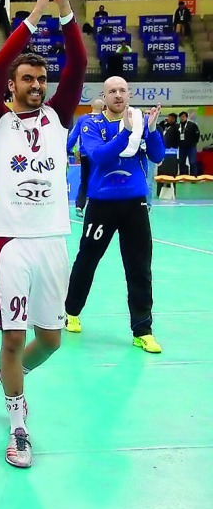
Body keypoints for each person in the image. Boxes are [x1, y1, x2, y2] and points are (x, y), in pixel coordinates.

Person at [0, 0, 84, 470]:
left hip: (53, 240)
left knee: (51, 340)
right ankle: (18, 425)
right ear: (12, 85)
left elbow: (78, 63)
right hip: (11, 243)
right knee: (14, 337)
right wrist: (37, 12)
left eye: (42, 78)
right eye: (28, 79)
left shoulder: (59, 119)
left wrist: (66, 11)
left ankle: (10, 376)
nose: (37, 85)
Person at [63, 78, 164, 352]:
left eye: (122, 91)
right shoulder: (90, 123)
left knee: (139, 268)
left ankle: (143, 330)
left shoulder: (140, 121)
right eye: (112, 91)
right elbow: (99, 156)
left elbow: (157, 156)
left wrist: (151, 130)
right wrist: (125, 133)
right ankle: (71, 312)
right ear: (104, 96)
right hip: (102, 205)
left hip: (134, 205)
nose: (118, 95)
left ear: (129, 94)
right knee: (87, 260)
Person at [67, 98, 105, 213]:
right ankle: (97, 207)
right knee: (99, 179)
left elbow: (73, 136)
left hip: (85, 154)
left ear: (91, 106)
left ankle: (79, 206)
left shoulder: (82, 119)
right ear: (103, 107)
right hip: (99, 155)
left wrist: (67, 149)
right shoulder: (105, 119)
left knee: (84, 180)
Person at [177, 111, 200, 175]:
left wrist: (194, 143)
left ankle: (193, 176)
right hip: (182, 147)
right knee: (182, 162)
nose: (182, 118)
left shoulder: (192, 125)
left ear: (186, 117)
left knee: (192, 162)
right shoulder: (178, 126)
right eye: (181, 117)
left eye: (183, 116)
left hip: (191, 147)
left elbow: (197, 135)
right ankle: (183, 176)